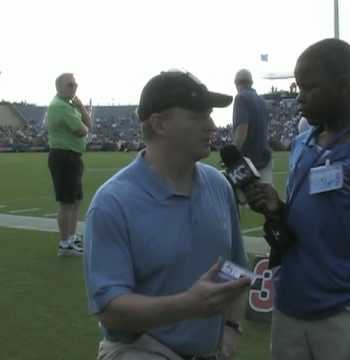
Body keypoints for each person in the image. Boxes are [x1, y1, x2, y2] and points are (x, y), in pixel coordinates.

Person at [246, 39, 350, 360]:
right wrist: (277, 207)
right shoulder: (301, 143)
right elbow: (307, 215)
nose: (300, 96)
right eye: (298, 87)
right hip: (290, 304)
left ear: (344, 86)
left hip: (346, 310)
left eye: (309, 87)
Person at [84, 70, 251, 360]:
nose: (212, 126)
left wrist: (232, 327)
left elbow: (235, 269)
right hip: (140, 350)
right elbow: (109, 310)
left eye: (210, 115)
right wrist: (186, 305)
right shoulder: (113, 202)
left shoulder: (218, 185)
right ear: (160, 123)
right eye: (198, 116)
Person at [46, 73, 91, 256]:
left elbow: (87, 124)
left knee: (75, 200)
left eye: (75, 84)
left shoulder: (69, 105)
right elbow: (82, 130)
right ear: (59, 87)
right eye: (70, 85)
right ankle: (65, 244)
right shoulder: (60, 107)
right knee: (66, 202)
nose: (74, 87)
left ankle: (71, 237)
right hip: (63, 156)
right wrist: (85, 125)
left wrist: (80, 107)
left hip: (72, 156)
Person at [232, 69, 272, 184]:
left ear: (236, 83)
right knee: (264, 198)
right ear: (251, 83)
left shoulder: (240, 98)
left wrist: (233, 153)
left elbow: (242, 130)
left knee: (246, 200)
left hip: (248, 162)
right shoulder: (262, 101)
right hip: (264, 158)